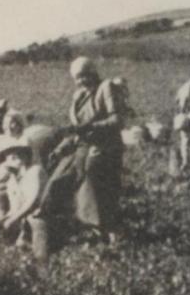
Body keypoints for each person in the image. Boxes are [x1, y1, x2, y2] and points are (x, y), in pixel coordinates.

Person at [39, 57, 128, 240]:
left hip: (105, 145)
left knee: (90, 173)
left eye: (84, 76)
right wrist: (61, 147)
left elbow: (117, 120)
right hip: (83, 145)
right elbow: (75, 131)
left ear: (92, 72)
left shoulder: (106, 88)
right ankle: (54, 221)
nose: (81, 81)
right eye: (77, 78)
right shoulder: (78, 96)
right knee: (59, 177)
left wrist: (90, 127)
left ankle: (104, 229)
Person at [0, 141, 48, 247]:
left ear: (26, 155)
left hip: (43, 212)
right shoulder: (13, 179)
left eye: (19, 153)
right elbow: (15, 205)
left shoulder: (36, 171)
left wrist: (13, 219)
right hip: (26, 215)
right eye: (9, 156)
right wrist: (7, 217)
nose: (14, 157)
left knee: (36, 222)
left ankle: (42, 259)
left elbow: (32, 202)